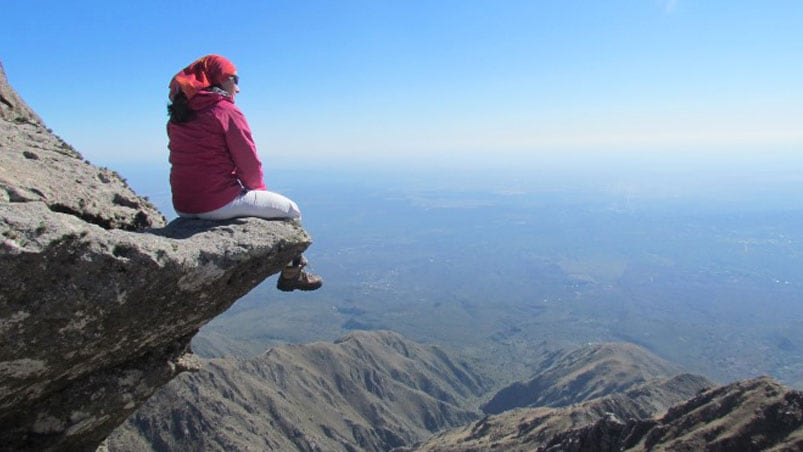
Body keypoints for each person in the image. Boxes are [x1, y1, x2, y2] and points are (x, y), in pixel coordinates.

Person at [166, 54, 322, 292]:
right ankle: (292, 272)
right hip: (217, 203)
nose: (238, 88)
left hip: (183, 205)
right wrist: (256, 192)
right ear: (217, 80)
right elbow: (248, 162)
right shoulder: (224, 110)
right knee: (292, 211)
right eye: (234, 79)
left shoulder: (179, 116)